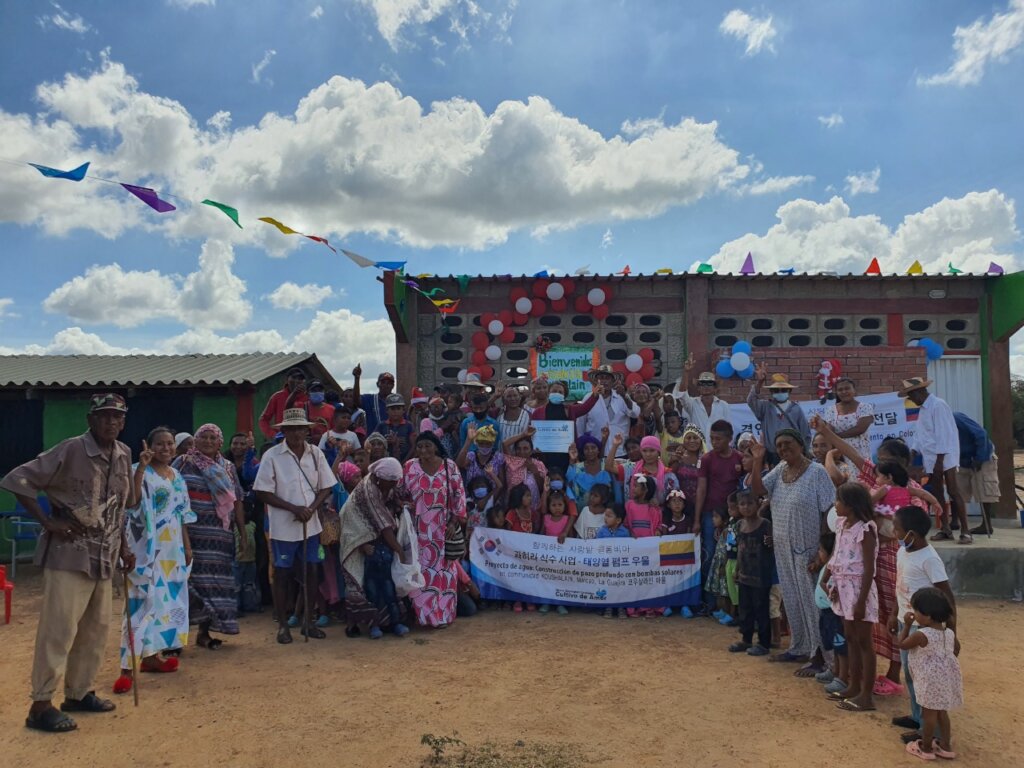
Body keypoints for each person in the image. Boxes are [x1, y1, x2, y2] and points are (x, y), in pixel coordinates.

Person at [3, 394, 135, 733]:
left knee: (95, 630)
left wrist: (125, 548)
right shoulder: (71, 449)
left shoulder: (123, 454)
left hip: (105, 555)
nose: (111, 423)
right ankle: (41, 704)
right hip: (69, 554)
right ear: (91, 420)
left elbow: (119, 507)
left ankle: (78, 693)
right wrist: (47, 522)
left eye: (117, 417)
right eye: (104, 417)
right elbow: (18, 480)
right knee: (58, 631)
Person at [112, 427, 194, 694]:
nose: (166, 448)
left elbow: (180, 513)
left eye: (170, 443)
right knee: (139, 604)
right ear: (150, 446)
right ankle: (126, 668)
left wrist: (187, 545)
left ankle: (151, 657)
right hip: (145, 548)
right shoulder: (139, 470)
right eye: (160, 443)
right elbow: (131, 503)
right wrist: (140, 468)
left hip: (172, 550)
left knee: (163, 603)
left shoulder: (176, 475)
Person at [749, 429, 835, 671]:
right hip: (783, 548)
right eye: (779, 445)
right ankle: (800, 648)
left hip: (808, 549)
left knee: (812, 602)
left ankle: (821, 656)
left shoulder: (817, 472)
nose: (784, 449)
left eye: (788, 444)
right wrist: (757, 461)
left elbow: (830, 512)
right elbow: (757, 490)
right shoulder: (780, 470)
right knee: (793, 600)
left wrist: (823, 550)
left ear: (800, 444)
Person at [253, 409, 337, 644]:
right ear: (284, 431)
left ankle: (308, 622)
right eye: (291, 428)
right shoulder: (272, 456)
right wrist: (294, 508)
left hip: (312, 526)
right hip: (283, 526)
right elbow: (262, 492)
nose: (297, 432)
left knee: (312, 572)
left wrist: (311, 507)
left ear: (307, 430)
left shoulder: (316, 454)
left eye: (301, 428)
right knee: (282, 574)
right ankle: (283, 625)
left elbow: (326, 486)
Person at [173, 423, 248, 651]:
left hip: (220, 537)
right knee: (186, 585)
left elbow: (236, 501)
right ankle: (176, 638)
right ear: (195, 440)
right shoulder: (183, 462)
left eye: (212, 438)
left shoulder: (226, 467)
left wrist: (243, 533)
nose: (207, 441)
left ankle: (204, 634)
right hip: (189, 535)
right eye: (203, 437)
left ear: (219, 442)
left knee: (214, 585)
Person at [890, 506, 959, 749]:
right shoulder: (902, 553)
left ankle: (929, 731)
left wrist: (952, 633)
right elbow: (899, 586)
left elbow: (947, 597)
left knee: (926, 679)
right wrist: (893, 615)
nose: (893, 532)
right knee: (911, 674)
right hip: (905, 621)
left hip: (924, 631)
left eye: (896, 528)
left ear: (911, 534)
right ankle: (917, 716)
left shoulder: (929, 559)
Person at [821, 482, 879, 713]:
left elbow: (868, 568)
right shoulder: (842, 524)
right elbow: (836, 555)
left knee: (865, 642)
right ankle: (854, 685)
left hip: (858, 589)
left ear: (851, 505)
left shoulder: (866, 529)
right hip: (842, 587)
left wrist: (862, 601)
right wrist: (826, 579)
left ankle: (866, 694)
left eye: (839, 501)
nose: (836, 505)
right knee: (850, 637)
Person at [338, 457, 411, 639]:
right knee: (360, 583)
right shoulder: (369, 491)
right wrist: (399, 550)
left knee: (387, 586)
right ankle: (356, 624)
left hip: (378, 544)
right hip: (356, 536)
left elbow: (393, 503)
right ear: (380, 478)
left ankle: (388, 622)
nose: (394, 484)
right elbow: (385, 527)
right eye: (391, 481)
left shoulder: (386, 484)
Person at [402, 431, 468, 628]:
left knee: (445, 575)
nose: (423, 450)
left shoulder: (449, 466)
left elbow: (459, 494)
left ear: (436, 446)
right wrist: (406, 507)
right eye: (420, 446)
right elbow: (400, 493)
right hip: (418, 531)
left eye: (427, 446)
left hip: (443, 530)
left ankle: (444, 617)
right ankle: (423, 617)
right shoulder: (409, 467)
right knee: (420, 574)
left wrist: (454, 522)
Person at [899, 377, 970, 544]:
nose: (911, 400)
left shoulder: (938, 405)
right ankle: (945, 529)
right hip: (931, 458)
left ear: (919, 392)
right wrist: (913, 451)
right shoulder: (923, 409)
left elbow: (944, 434)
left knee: (953, 491)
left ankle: (966, 531)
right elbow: (921, 435)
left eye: (911, 396)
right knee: (937, 494)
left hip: (945, 457)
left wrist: (940, 461)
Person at [899, 588, 962, 761]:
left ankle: (926, 748)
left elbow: (902, 644)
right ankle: (946, 747)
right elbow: (956, 650)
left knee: (928, 715)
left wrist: (906, 625)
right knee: (942, 712)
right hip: (945, 680)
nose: (914, 613)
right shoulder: (948, 633)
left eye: (916, 610)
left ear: (927, 616)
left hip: (929, 682)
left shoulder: (921, 634)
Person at [694, 420, 744, 612]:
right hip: (710, 515)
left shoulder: (739, 458)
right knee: (710, 556)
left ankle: (731, 605)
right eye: (712, 438)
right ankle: (709, 603)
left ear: (729, 438)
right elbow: (701, 489)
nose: (715, 442)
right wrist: (698, 519)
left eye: (719, 439)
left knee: (731, 559)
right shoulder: (707, 459)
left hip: (732, 518)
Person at [729, 489, 773, 656]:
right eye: (742, 504)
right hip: (745, 574)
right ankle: (746, 639)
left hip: (761, 575)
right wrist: (737, 570)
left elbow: (772, 546)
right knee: (745, 608)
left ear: (758, 504)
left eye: (750, 503)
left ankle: (764, 643)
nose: (746, 507)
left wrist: (772, 542)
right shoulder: (740, 525)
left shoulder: (765, 525)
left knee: (761, 609)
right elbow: (740, 549)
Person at [528, 376, 601, 473]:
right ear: (548, 393)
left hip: (566, 455)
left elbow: (585, 407)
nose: (557, 393)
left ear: (564, 395)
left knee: (567, 478)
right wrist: (534, 446)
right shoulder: (538, 412)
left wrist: (594, 395)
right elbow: (533, 433)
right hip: (545, 455)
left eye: (560, 392)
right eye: (554, 391)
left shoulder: (570, 410)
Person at [748, 365, 811, 463]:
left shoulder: (796, 409)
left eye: (784, 390)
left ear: (789, 391)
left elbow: (805, 434)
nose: (780, 392)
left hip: (793, 454)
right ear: (771, 392)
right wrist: (760, 382)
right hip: (772, 455)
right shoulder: (765, 407)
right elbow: (751, 401)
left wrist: (803, 453)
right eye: (776, 390)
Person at [576, 366, 640, 458]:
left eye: (607, 378)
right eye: (601, 378)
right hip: (595, 451)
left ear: (612, 381)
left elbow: (635, 413)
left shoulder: (621, 396)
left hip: (619, 450)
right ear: (596, 380)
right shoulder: (588, 397)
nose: (604, 381)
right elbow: (580, 425)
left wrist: (624, 396)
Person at [814, 532, 849, 696]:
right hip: (826, 612)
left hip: (834, 612)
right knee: (833, 644)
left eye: (821, 550)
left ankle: (842, 677)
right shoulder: (826, 568)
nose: (818, 553)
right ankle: (835, 670)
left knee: (840, 645)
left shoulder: (833, 567)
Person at [953, 411, 999, 535]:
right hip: (962, 459)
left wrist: (980, 458)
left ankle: (987, 524)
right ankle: (955, 521)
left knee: (983, 489)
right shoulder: (936, 426)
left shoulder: (957, 418)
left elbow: (981, 434)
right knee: (957, 489)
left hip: (982, 456)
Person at [606, 433, 681, 505]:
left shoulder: (669, 476)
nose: (648, 454)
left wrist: (660, 503)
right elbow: (609, 467)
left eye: (652, 450)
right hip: (633, 515)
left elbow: (675, 500)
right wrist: (615, 445)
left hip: (659, 516)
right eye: (644, 451)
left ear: (658, 452)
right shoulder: (630, 468)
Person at [673, 354, 732, 438]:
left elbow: (728, 430)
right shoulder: (692, 403)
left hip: (717, 450)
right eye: (702, 384)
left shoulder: (723, 405)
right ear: (698, 388)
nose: (706, 386)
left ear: (715, 388)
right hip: (698, 449)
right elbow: (682, 394)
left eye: (709, 384)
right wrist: (686, 372)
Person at [823, 378, 874, 461]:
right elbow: (829, 430)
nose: (844, 392)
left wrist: (836, 437)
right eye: (840, 390)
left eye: (847, 388)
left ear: (854, 390)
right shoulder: (830, 410)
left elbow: (860, 429)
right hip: (839, 454)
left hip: (860, 454)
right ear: (836, 393)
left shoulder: (865, 407)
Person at [538, 487, 572, 615]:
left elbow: (572, 538)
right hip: (548, 557)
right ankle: (546, 602)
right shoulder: (546, 518)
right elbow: (541, 533)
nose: (557, 508)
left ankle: (560, 603)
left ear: (564, 506)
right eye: (553, 505)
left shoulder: (566, 519)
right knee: (547, 580)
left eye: (560, 505)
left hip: (562, 558)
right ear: (549, 506)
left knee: (560, 580)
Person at [502, 429, 547, 517]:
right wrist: (523, 434)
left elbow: (542, 488)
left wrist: (535, 471)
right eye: (518, 449)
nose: (522, 452)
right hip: (513, 508)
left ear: (531, 450)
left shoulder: (538, 464)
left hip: (533, 508)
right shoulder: (512, 461)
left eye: (525, 448)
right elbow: (504, 444)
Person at [597, 504, 631, 619]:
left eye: (609, 516)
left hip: (620, 567)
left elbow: (628, 550)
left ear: (618, 520)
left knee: (620, 586)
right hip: (606, 567)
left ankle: (621, 608)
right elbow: (596, 547)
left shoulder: (624, 533)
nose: (605, 518)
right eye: (605, 515)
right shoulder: (602, 531)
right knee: (608, 586)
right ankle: (608, 607)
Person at [258, 368, 308, 440]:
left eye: (300, 378)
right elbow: (263, 419)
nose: (297, 381)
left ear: (304, 381)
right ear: (287, 380)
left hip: (303, 438)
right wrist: (273, 435)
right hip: (282, 438)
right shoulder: (277, 396)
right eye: (293, 377)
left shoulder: (308, 397)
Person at [566, 433, 613, 501]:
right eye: (586, 449)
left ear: (598, 450)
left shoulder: (606, 463)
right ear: (583, 451)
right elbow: (569, 480)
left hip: (605, 507)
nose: (590, 451)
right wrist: (572, 460)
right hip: (582, 508)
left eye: (593, 448)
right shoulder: (578, 467)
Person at [354, 367, 396, 435]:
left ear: (393, 386)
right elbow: (356, 401)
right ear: (377, 384)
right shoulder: (370, 399)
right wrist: (357, 378)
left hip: (392, 441)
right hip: (373, 442)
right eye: (383, 382)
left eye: (389, 383)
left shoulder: (397, 401)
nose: (386, 385)